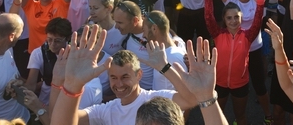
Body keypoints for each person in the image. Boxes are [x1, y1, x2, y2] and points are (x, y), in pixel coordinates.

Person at [49, 26, 227, 125]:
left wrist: (165, 68)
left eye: (125, 77)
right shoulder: (106, 110)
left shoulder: (156, 100)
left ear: (139, 75)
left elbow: (190, 100)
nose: (119, 84)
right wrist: (69, 86)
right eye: (113, 77)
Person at [205, 0, 265, 125]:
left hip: (240, 84)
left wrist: (260, 3)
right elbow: (208, 16)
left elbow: (258, 21)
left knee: (240, 116)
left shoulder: (248, 36)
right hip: (219, 82)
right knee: (216, 116)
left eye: (236, 17)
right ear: (224, 20)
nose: (233, 21)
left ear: (241, 18)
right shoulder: (217, 34)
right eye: (229, 18)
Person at [24, 17, 72, 105]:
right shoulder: (38, 53)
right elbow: (31, 85)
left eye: (57, 41)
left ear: (68, 38)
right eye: (49, 39)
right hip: (46, 101)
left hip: (68, 99)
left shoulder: (75, 52)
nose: (52, 44)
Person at [0, 13, 29, 122]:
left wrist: (20, 83)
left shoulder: (7, 49)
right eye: (20, 33)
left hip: (23, 117)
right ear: (11, 36)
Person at [141, 10, 186, 90]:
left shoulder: (171, 58)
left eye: (144, 31)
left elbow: (181, 91)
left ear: (154, 28)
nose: (143, 35)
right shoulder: (177, 45)